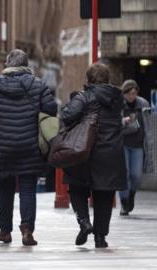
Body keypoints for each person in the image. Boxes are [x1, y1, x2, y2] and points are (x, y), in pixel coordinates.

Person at [0, 49, 57, 245]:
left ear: (7, 64)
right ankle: (27, 230)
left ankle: (5, 230)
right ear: (26, 64)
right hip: (29, 144)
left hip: (3, 146)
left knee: (5, 187)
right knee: (28, 188)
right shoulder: (38, 84)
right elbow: (51, 109)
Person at [61, 63, 126, 248]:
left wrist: (75, 99)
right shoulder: (117, 98)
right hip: (110, 152)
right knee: (104, 194)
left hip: (85, 150)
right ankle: (100, 237)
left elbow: (66, 115)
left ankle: (84, 222)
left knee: (76, 186)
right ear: (107, 79)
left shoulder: (85, 96)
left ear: (88, 79)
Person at [119, 79, 153, 216]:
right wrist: (123, 121)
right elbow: (113, 122)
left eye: (134, 93)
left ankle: (131, 194)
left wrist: (150, 142)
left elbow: (149, 124)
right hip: (122, 144)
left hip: (138, 145)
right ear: (124, 93)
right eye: (128, 94)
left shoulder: (143, 103)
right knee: (124, 174)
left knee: (136, 175)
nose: (131, 96)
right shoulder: (118, 104)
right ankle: (124, 202)